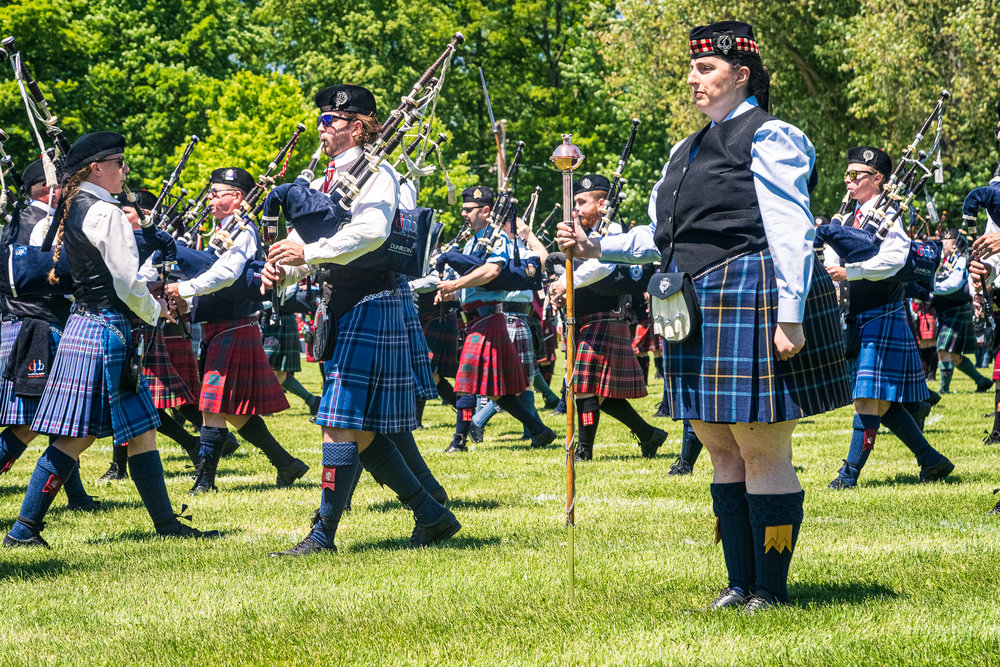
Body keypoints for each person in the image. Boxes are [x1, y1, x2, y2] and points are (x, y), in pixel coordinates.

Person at [557, 21, 851, 612]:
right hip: (692, 304)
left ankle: (770, 587)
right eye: (692, 68)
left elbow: (792, 231)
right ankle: (739, 583)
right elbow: (663, 236)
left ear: (741, 74)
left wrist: (790, 313)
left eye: (707, 68)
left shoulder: (772, 137)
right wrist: (597, 247)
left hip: (754, 294)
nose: (694, 78)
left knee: (761, 445)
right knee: (719, 444)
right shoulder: (684, 150)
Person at [263, 83, 459, 555]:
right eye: (321, 119)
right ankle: (431, 515)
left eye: (330, 121)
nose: (321, 128)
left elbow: (370, 233)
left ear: (357, 126)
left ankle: (323, 533)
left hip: (372, 300)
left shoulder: (381, 174)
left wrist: (307, 252)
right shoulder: (325, 179)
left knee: (338, 420)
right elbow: (314, 236)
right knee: (363, 427)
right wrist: (284, 263)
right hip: (343, 303)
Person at [3, 132, 219, 547]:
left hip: (92, 326)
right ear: (96, 168)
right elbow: (125, 282)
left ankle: (166, 525)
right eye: (119, 162)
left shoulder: (77, 206)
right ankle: (23, 529)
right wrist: (157, 313)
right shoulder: (107, 213)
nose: (125, 170)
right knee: (75, 436)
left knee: (141, 431)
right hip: (104, 329)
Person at [165, 167, 308, 494]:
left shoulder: (242, 231)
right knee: (227, 410)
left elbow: (226, 275)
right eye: (212, 192)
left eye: (217, 193)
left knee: (211, 407)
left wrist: (185, 289)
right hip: (218, 326)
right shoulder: (220, 231)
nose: (210, 198)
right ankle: (287, 463)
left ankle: (204, 482)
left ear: (237, 198)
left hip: (234, 325)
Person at [826, 146, 954, 489]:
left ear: (877, 179)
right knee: (882, 402)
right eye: (847, 174)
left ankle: (848, 476)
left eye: (856, 175)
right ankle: (932, 460)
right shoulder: (849, 217)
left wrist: (850, 272)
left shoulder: (888, 217)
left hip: (882, 314)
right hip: (857, 316)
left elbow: (895, 260)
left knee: (867, 399)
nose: (849, 181)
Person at [0, 158, 100, 511]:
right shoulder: (39, 222)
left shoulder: (26, 220)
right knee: (29, 422)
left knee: (60, 419)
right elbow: (28, 276)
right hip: (35, 329)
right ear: (50, 188)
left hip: (32, 326)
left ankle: (78, 497)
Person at [547, 174, 666, 461]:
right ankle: (649, 434)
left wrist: (567, 282)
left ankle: (584, 452)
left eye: (581, 202)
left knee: (584, 389)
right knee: (599, 392)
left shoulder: (613, 231)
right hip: (586, 316)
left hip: (603, 315)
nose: (575, 209)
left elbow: (602, 267)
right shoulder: (583, 231)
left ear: (601, 203)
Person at [437, 185, 557, 453]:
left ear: (486, 211)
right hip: (476, 318)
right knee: (499, 392)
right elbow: (471, 280)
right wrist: (452, 292)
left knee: (466, 382)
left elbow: (491, 271)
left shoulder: (498, 240)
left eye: (469, 210)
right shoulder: (472, 241)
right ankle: (540, 430)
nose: (464, 215)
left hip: (489, 318)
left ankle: (459, 441)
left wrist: (455, 286)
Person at [932, 228, 993, 393]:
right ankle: (981, 380)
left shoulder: (961, 260)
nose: (942, 244)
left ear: (955, 243)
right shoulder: (941, 260)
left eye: (947, 241)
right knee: (955, 356)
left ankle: (944, 390)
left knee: (943, 348)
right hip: (944, 310)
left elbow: (955, 284)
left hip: (958, 309)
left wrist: (930, 289)